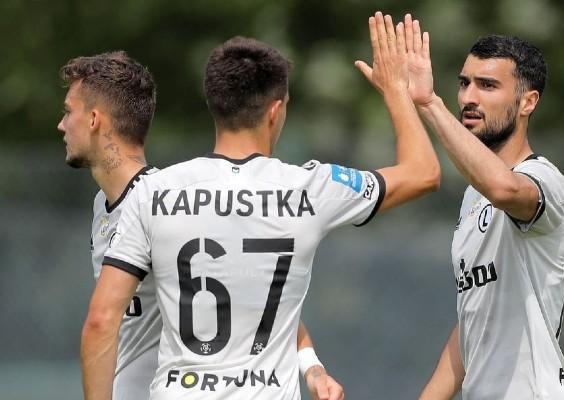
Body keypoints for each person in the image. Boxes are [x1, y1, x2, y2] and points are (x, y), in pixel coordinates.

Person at [80, 16, 440, 400]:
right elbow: (423, 173)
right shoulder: (309, 188)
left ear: (213, 103)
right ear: (275, 110)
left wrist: (312, 367)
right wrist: (396, 90)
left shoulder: (154, 192)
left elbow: (102, 320)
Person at [58, 51, 344, 400]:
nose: (61, 124)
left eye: (68, 112)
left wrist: (312, 368)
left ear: (93, 120)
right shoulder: (103, 205)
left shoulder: (164, 206)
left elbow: (255, 299)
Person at [371, 13, 564, 400]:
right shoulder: (473, 197)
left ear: (528, 102)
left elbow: (505, 188)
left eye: (487, 85)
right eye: (464, 83)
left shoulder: (548, 182)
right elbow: (472, 324)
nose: (468, 98)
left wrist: (428, 103)